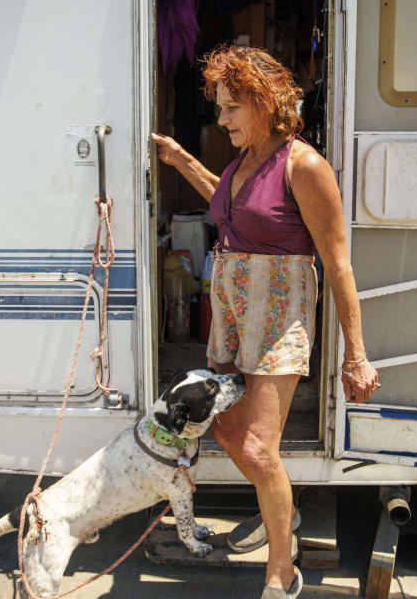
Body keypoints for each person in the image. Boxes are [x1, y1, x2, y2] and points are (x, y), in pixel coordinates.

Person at [151, 45, 380, 599]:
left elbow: (339, 263)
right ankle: (285, 512)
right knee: (222, 427)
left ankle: (282, 566)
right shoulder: (244, 160)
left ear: (264, 102)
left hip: (279, 312)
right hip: (232, 310)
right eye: (220, 108)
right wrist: (182, 161)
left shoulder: (303, 165)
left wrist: (356, 354)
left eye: (232, 107)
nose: (222, 118)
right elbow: (227, 205)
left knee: (256, 447)